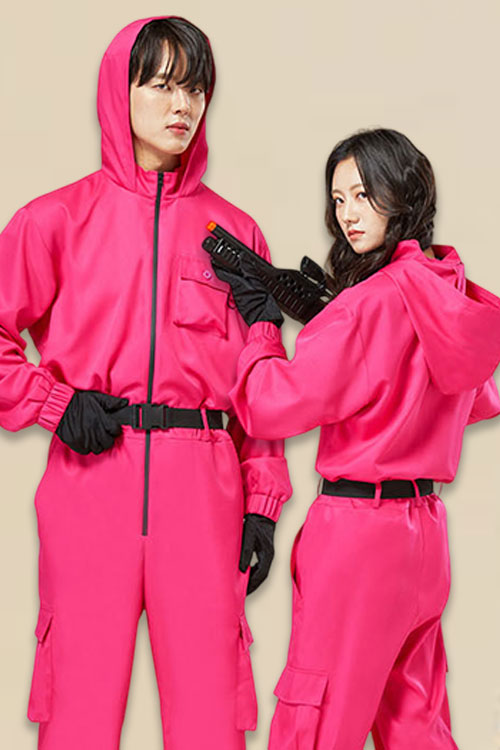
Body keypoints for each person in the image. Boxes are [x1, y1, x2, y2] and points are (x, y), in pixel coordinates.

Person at [0, 15, 292, 750]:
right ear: (118, 91)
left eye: (194, 88)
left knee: (211, 716)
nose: (181, 105)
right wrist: (53, 404)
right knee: (77, 709)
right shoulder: (53, 220)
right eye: (161, 85)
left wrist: (261, 505)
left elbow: (260, 385)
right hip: (90, 479)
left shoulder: (236, 236)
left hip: (205, 492)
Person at [211, 128, 500, 749]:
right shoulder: (447, 292)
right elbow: (476, 398)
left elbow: (267, 408)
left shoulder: (366, 305)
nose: (347, 214)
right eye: (339, 199)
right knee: (416, 721)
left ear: (402, 194)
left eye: (364, 195)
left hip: (357, 538)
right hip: (425, 538)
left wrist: (263, 327)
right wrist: (334, 325)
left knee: (315, 720)